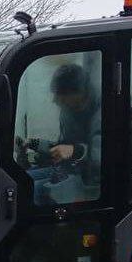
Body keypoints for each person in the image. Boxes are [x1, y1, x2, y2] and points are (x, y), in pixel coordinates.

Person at [26, 62, 102, 206]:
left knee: (33, 190)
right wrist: (34, 145)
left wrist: (76, 151)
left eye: (59, 95)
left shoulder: (102, 111)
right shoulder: (69, 111)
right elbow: (64, 147)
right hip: (70, 170)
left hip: (92, 179)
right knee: (23, 179)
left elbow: (102, 156)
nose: (55, 101)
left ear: (77, 93)